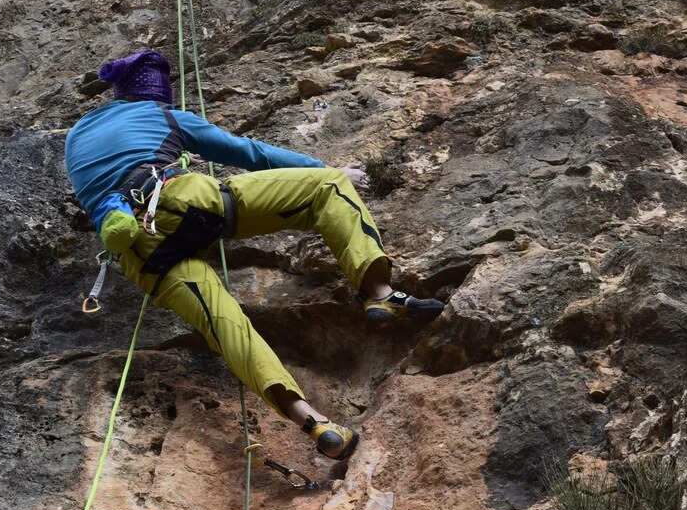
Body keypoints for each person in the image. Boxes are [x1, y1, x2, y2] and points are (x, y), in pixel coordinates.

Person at [64, 50, 445, 461]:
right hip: (180, 202)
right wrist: (323, 167)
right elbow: (246, 152)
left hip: (139, 254)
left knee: (228, 329)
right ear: (154, 94)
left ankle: (315, 423)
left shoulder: (76, 137)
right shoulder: (160, 115)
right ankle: (380, 294)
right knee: (328, 188)